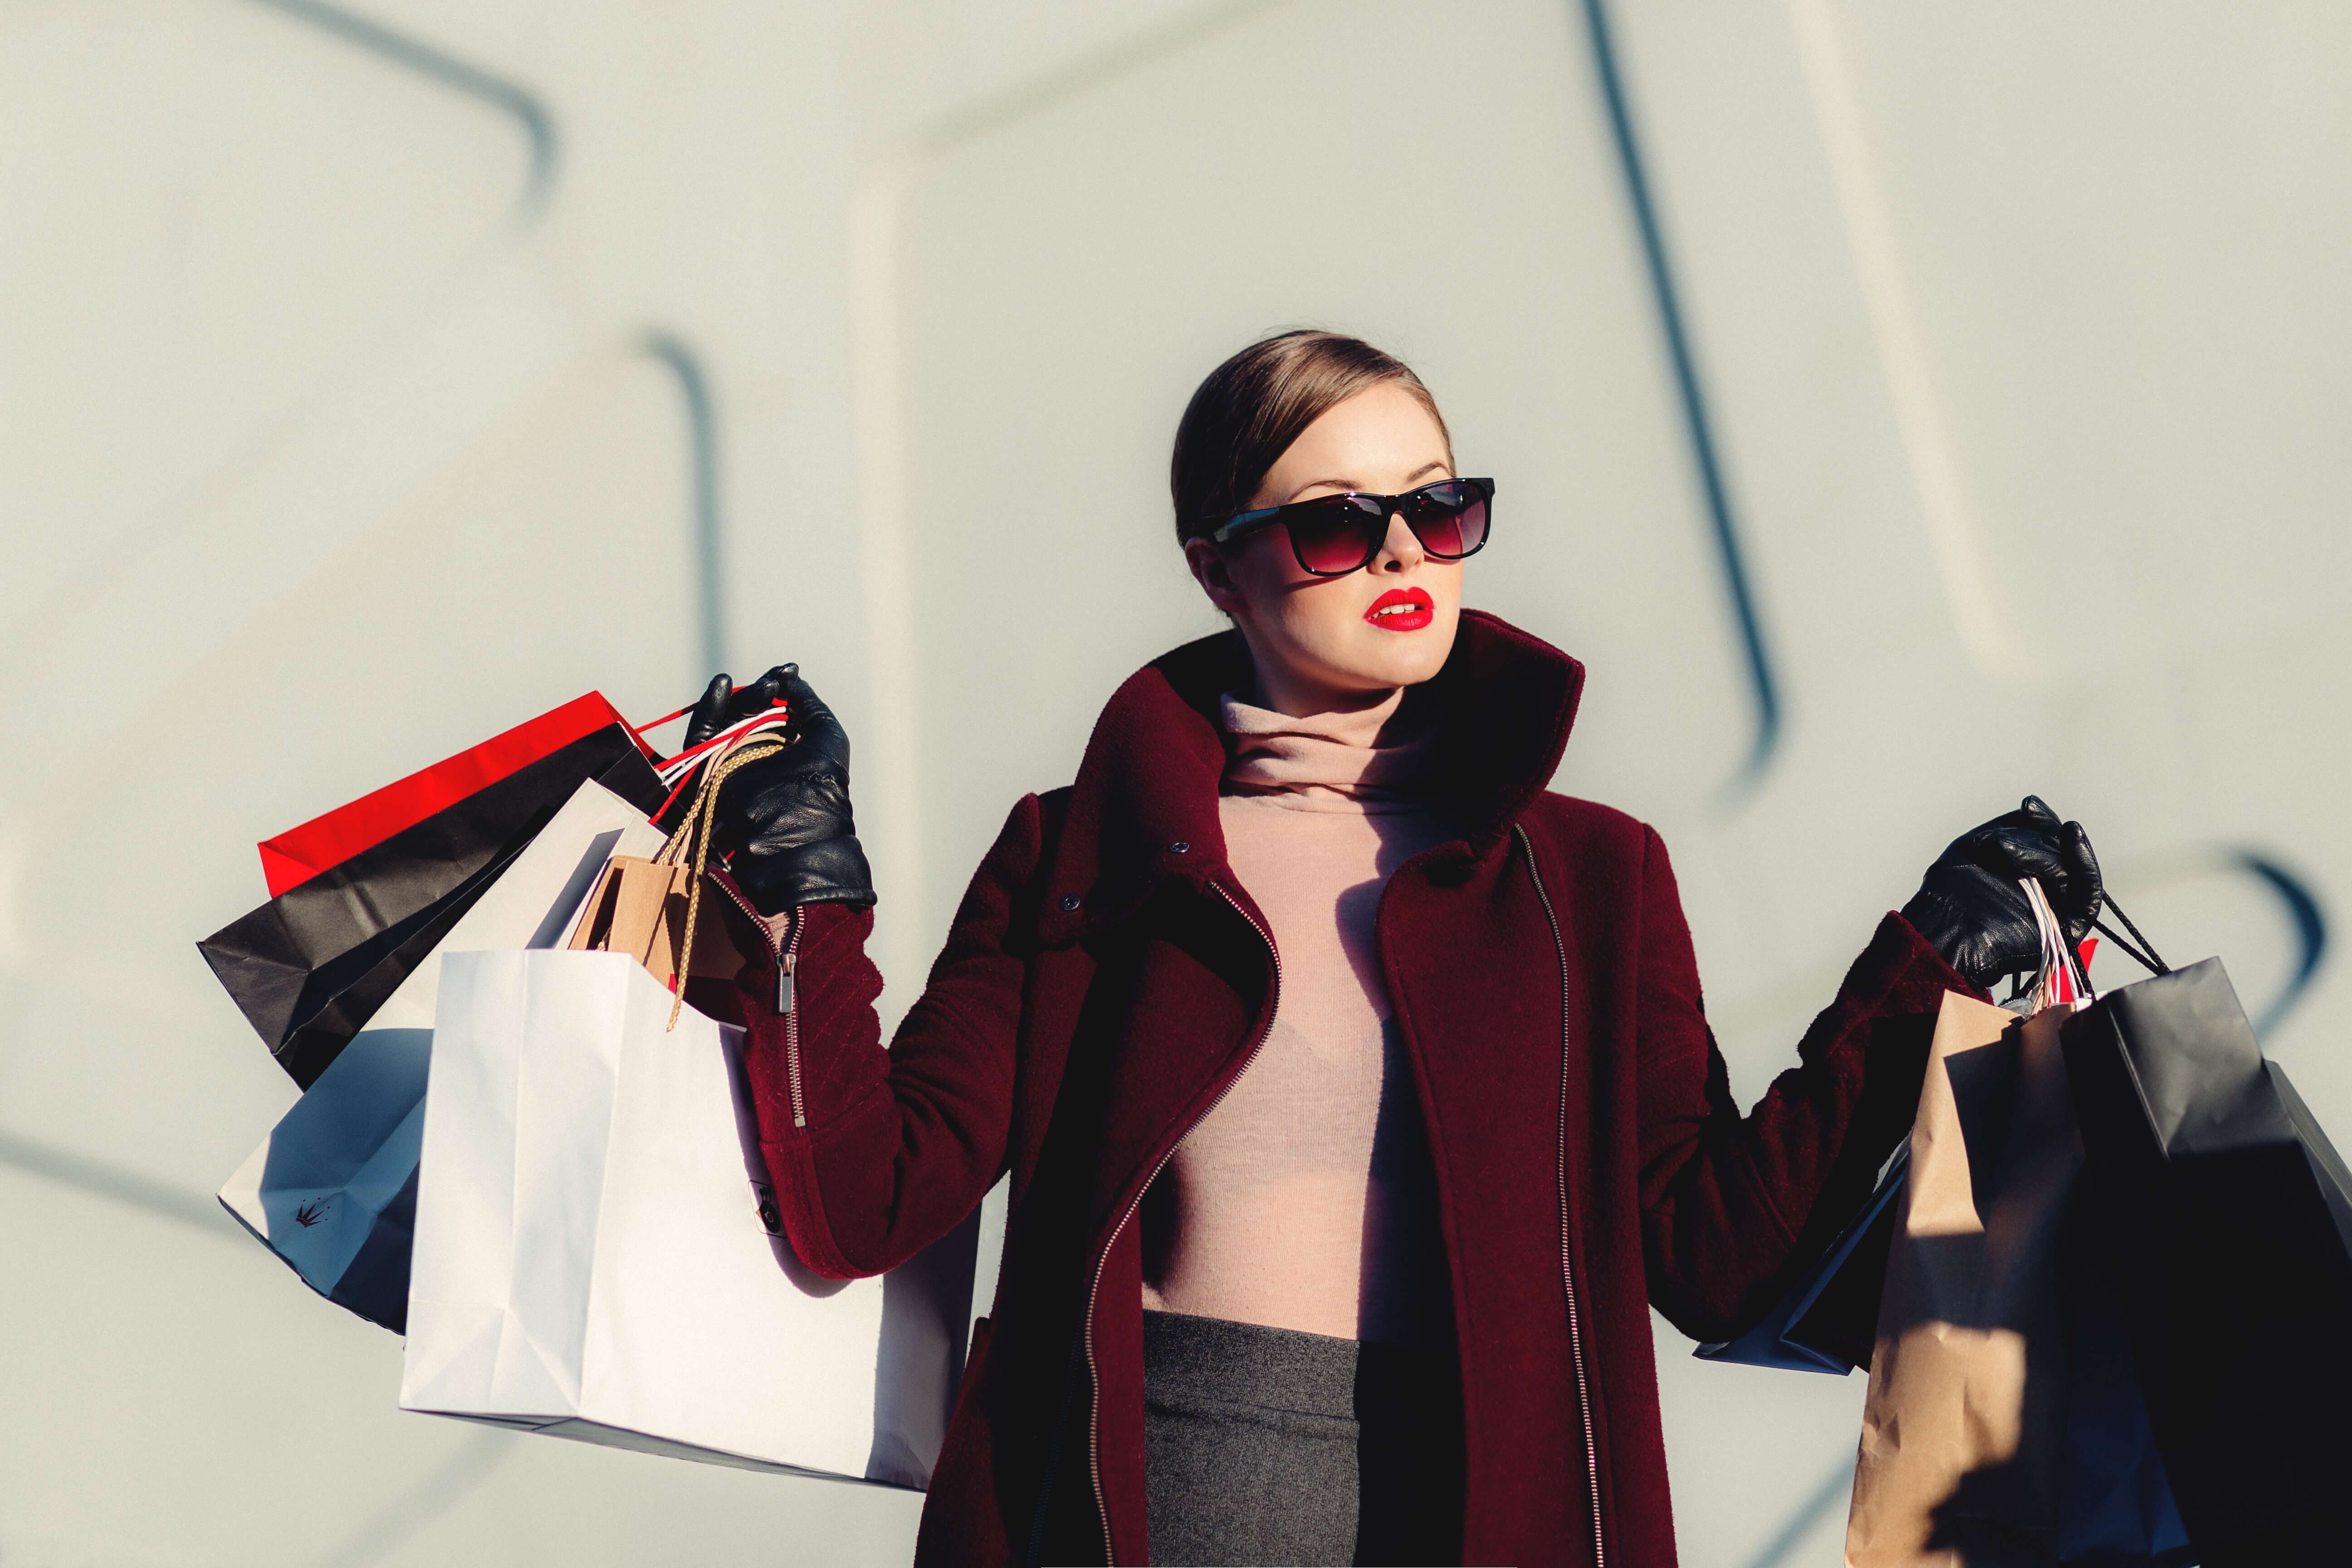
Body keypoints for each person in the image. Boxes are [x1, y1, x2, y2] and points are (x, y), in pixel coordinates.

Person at [682, 330, 2103, 1566]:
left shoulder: (1590, 875)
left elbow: (1713, 1256)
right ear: (1215, 567)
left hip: (1494, 1511)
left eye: (1439, 504)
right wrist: (810, 887)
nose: (1408, 553)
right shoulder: (1083, 853)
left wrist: (1923, 965)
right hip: (1151, 1508)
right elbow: (864, 1198)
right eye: (1334, 524)